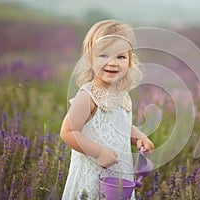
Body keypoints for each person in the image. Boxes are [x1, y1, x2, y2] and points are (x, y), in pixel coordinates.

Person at [60, 20, 154, 199]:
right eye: (103, 55)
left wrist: (139, 138)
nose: (112, 63)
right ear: (89, 58)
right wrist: (99, 152)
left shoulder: (122, 95)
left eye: (120, 57)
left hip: (119, 176)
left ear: (130, 60)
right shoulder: (88, 96)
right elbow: (68, 131)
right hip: (92, 177)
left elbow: (117, 125)